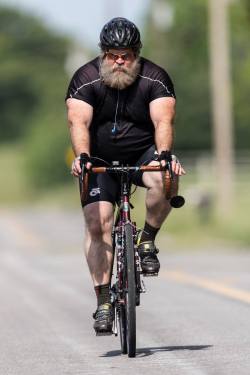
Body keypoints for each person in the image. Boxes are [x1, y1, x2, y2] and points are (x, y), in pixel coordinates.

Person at [65, 17, 185, 334]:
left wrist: (164, 156)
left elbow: (163, 122)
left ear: (137, 53)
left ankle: (147, 241)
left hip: (142, 154)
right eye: (113, 54)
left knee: (166, 178)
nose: (120, 61)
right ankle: (104, 301)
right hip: (100, 158)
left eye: (127, 54)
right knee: (97, 221)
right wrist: (83, 158)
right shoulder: (85, 78)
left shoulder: (155, 78)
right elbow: (78, 123)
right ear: (103, 53)